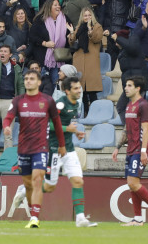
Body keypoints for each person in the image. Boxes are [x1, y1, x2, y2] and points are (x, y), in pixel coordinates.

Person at [10, 76, 96, 227]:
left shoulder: (76, 104)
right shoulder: (61, 103)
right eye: (75, 88)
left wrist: (73, 132)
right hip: (54, 150)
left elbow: (65, 125)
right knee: (49, 187)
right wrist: (66, 129)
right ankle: (24, 189)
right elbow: (47, 124)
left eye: (79, 87)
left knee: (78, 181)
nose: (79, 90)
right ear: (67, 91)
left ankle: (80, 219)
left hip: (68, 149)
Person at [2, 69, 66, 229]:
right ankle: (32, 211)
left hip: (41, 147)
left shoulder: (48, 101)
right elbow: (8, 117)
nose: (28, 81)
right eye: (26, 79)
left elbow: (57, 124)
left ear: (38, 82)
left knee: (38, 180)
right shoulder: (18, 100)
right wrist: (6, 127)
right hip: (23, 148)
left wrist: (62, 145)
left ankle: (35, 218)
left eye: (32, 78)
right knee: (28, 185)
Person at [111, 75, 148, 226]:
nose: (125, 88)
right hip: (130, 149)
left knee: (133, 183)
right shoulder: (129, 105)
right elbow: (127, 129)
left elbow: (146, 129)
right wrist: (117, 147)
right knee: (132, 184)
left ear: (138, 88)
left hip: (140, 149)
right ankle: (138, 219)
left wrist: (144, 151)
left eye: (129, 85)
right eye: (126, 85)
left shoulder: (144, 105)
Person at [68, 6, 104, 112]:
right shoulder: (79, 27)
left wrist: (89, 28)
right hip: (79, 60)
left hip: (91, 61)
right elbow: (71, 41)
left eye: (89, 15)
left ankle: (94, 114)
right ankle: (85, 115)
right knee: (82, 92)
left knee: (92, 92)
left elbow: (96, 38)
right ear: (82, 17)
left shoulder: (97, 26)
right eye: (85, 15)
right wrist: (71, 31)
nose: (87, 17)